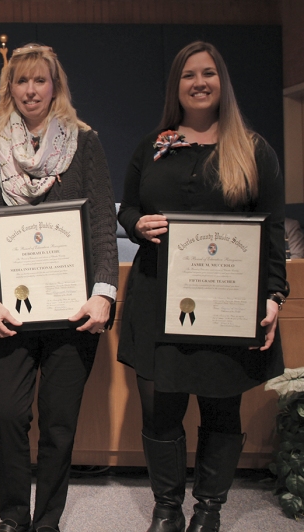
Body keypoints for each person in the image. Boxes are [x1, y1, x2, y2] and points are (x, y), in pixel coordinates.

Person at [118, 41, 287, 532]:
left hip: (225, 304)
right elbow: (127, 207)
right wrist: (136, 224)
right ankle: (167, 508)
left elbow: (272, 230)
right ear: (176, 86)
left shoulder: (253, 150)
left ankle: (209, 509)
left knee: (220, 407)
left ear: (221, 82)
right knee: (159, 408)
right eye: (188, 74)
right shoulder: (152, 146)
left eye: (208, 73)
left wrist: (274, 296)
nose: (199, 82)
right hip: (156, 297)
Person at [0, 44, 118, 532]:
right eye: (21, 81)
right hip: (9, 314)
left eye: (40, 81)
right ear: (8, 89)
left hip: (73, 309)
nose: (30, 90)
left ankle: (47, 520)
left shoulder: (84, 143)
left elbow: (101, 222)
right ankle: (13, 517)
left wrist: (104, 292)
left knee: (58, 422)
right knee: (8, 416)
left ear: (55, 87)